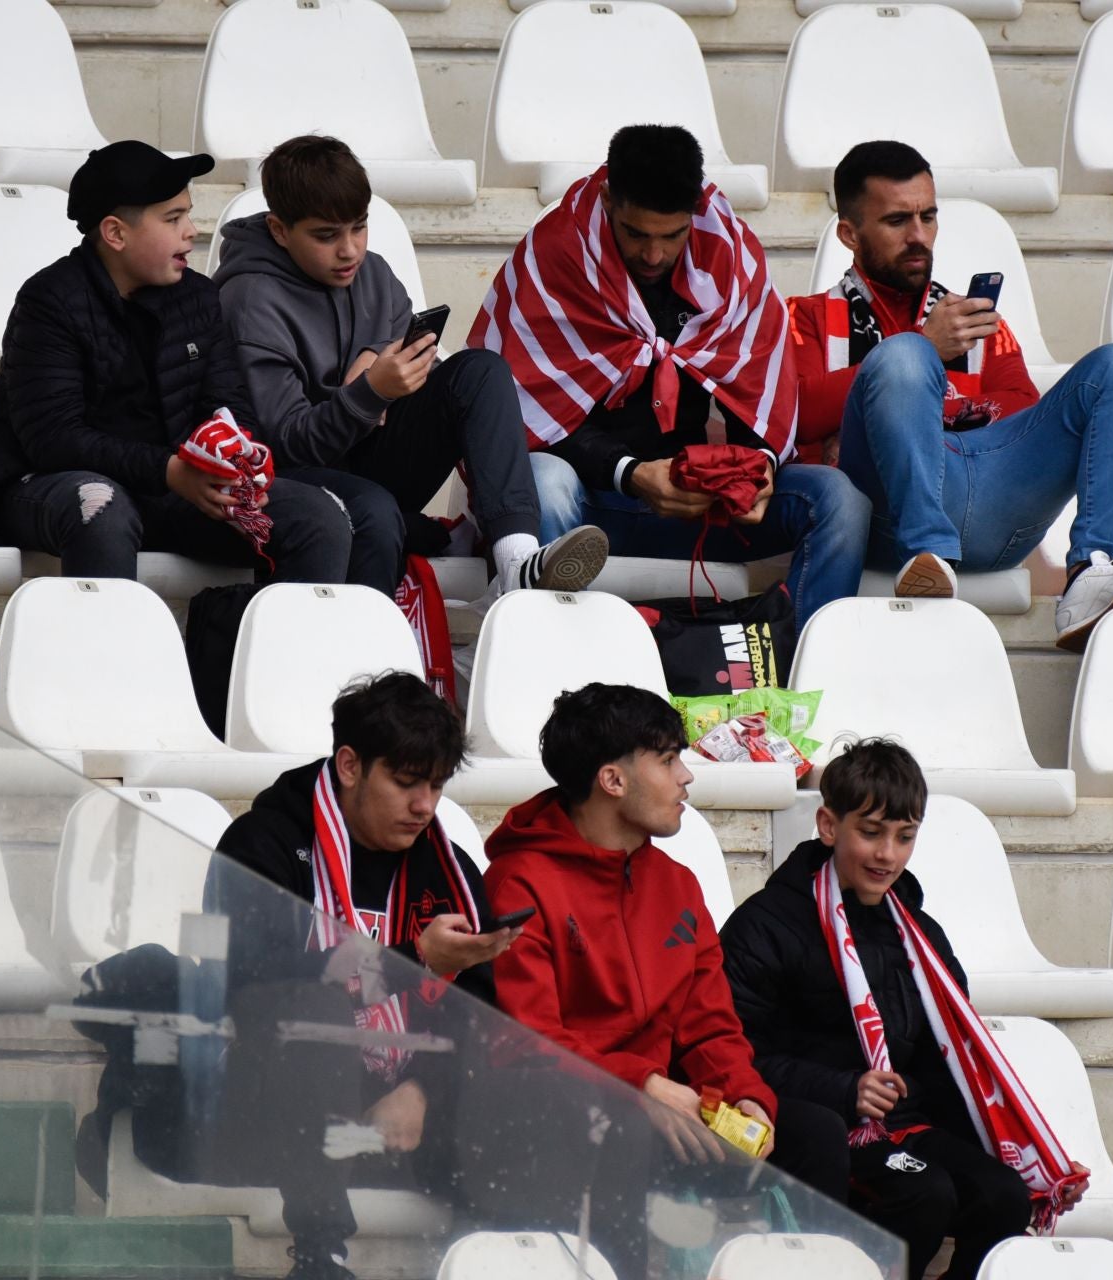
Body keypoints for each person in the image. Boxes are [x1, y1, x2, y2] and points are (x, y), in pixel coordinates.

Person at [476, 683, 849, 1269]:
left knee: (816, 1136)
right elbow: (530, 1040)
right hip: (564, 1124)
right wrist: (638, 1087)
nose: (686, 777)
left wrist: (744, 1095)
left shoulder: (676, 884)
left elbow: (711, 1026)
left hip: (667, 1111)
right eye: (669, 760)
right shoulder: (518, 882)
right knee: (626, 1135)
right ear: (613, 780)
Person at [471, 125, 869, 626]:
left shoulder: (731, 257)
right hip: (589, 504)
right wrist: (632, 473)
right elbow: (519, 416)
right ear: (608, 199)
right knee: (544, 480)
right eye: (636, 234)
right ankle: (553, 664)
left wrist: (757, 470)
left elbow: (758, 390)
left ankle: (795, 673)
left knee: (840, 502)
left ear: (697, 211)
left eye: (673, 235)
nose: (654, 255)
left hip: (696, 503)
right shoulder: (555, 255)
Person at [720, 739, 1088, 1279]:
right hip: (816, 1131)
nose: (887, 854)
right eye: (870, 833)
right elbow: (734, 1054)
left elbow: (955, 1065)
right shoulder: (766, 924)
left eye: (905, 836)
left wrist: (1036, 1157)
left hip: (903, 1127)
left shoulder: (922, 934)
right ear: (828, 825)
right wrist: (846, 1089)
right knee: (925, 1192)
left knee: (1007, 1195)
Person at [786, 140, 1113, 650]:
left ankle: (1093, 570)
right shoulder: (800, 316)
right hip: (885, 525)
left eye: (929, 216)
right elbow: (791, 416)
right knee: (903, 358)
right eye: (898, 221)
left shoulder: (977, 319)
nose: (919, 236)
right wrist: (923, 352)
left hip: (995, 505)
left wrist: (930, 416)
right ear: (850, 233)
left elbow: (1023, 412)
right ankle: (927, 553)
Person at [203, 672, 519, 1280]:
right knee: (311, 1011)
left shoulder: (448, 870)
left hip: (406, 1108)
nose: (425, 805)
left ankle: (509, 1255)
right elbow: (249, 985)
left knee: (533, 1081)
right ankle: (320, 1256)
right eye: (405, 783)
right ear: (350, 765)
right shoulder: (262, 844)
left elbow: (482, 1009)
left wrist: (420, 1088)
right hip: (270, 1103)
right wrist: (411, 962)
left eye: (436, 784)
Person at [0, 140, 373, 585]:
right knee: (101, 506)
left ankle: (249, 648)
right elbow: (54, 439)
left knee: (317, 517)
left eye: (188, 214)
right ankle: (109, 656)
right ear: (115, 234)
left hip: (167, 488)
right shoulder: (50, 301)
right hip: (43, 486)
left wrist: (229, 462)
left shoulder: (199, 298)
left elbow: (229, 407)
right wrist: (170, 471)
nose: (191, 231)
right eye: (173, 219)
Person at [215, 134, 609, 599]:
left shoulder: (374, 272)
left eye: (359, 227)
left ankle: (516, 560)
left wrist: (372, 352)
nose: (349, 250)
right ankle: (420, 558)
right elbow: (284, 447)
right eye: (327, 236)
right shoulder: (249, 300)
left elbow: (410, 347)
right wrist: (370, 392)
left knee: (480, 371)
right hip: (295, 482)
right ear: (280, 231)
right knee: (377, 512)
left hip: (371, 459)